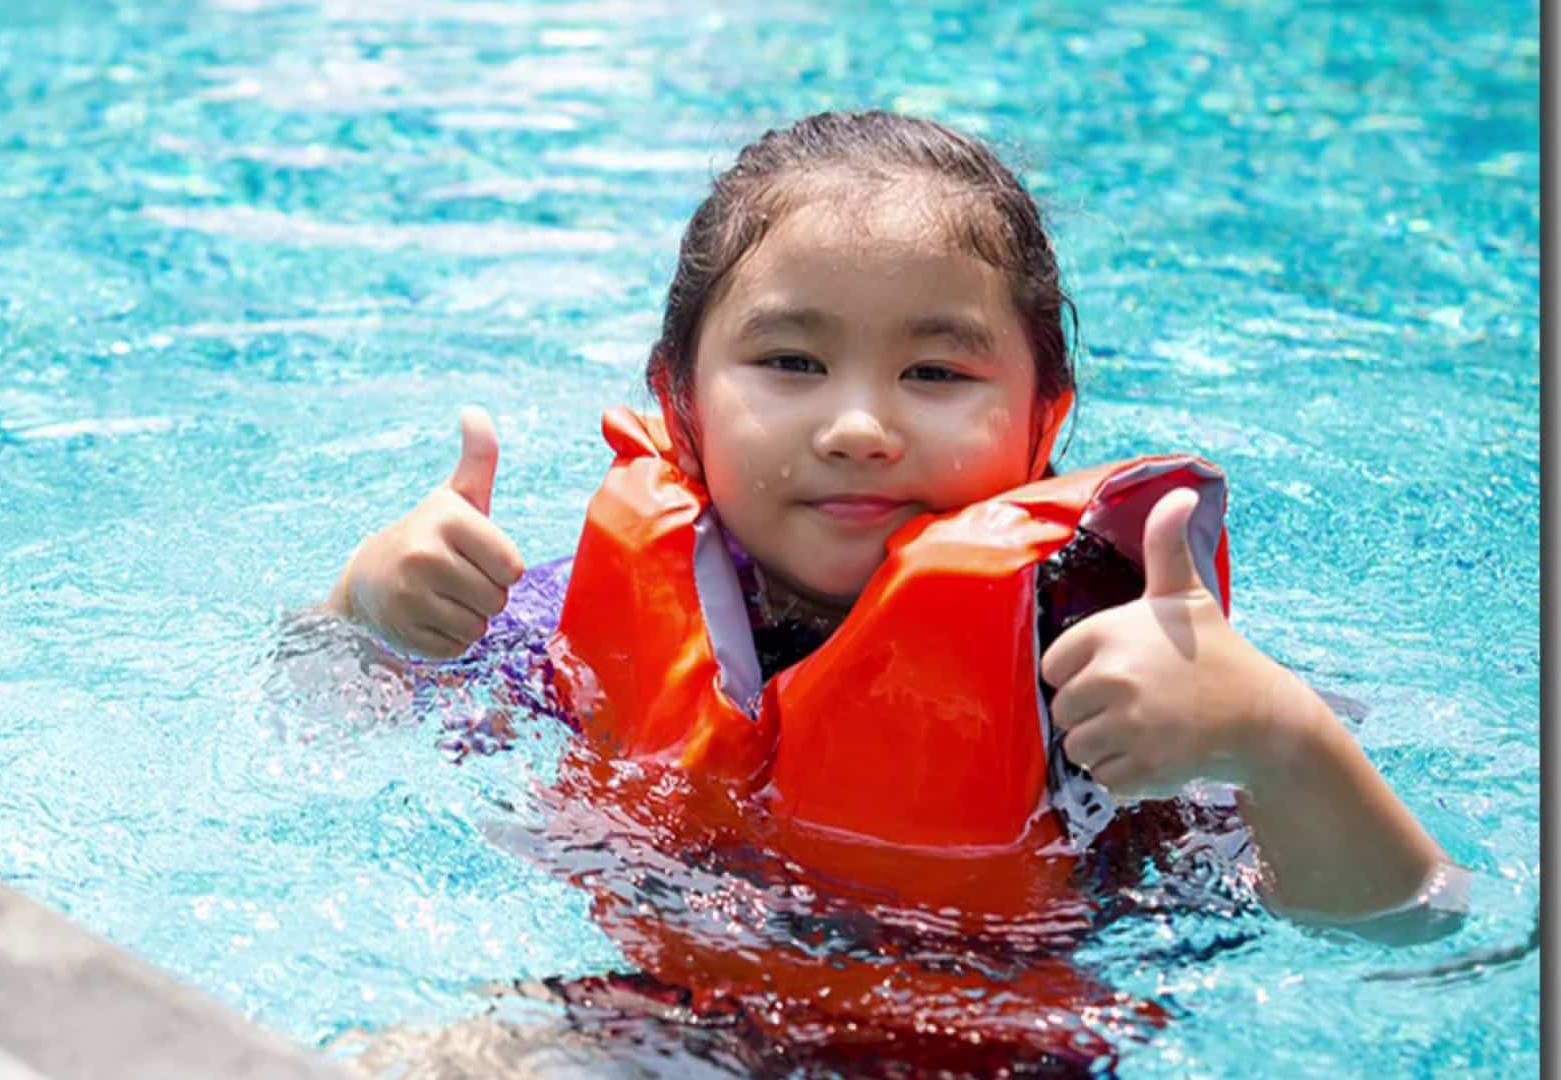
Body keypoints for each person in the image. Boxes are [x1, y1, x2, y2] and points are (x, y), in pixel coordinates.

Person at [324, 110, 1464, 938]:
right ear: (680, 401)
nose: (860, 425)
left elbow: (1415, 930)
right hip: (647, 1025)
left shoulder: (1128, 676)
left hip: (1012, 1050)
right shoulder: (560, 622)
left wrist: (1281, 739)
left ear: (1043, 421)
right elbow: (320, 731)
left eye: (933, 371)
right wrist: (364, 610)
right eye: (791, 362)